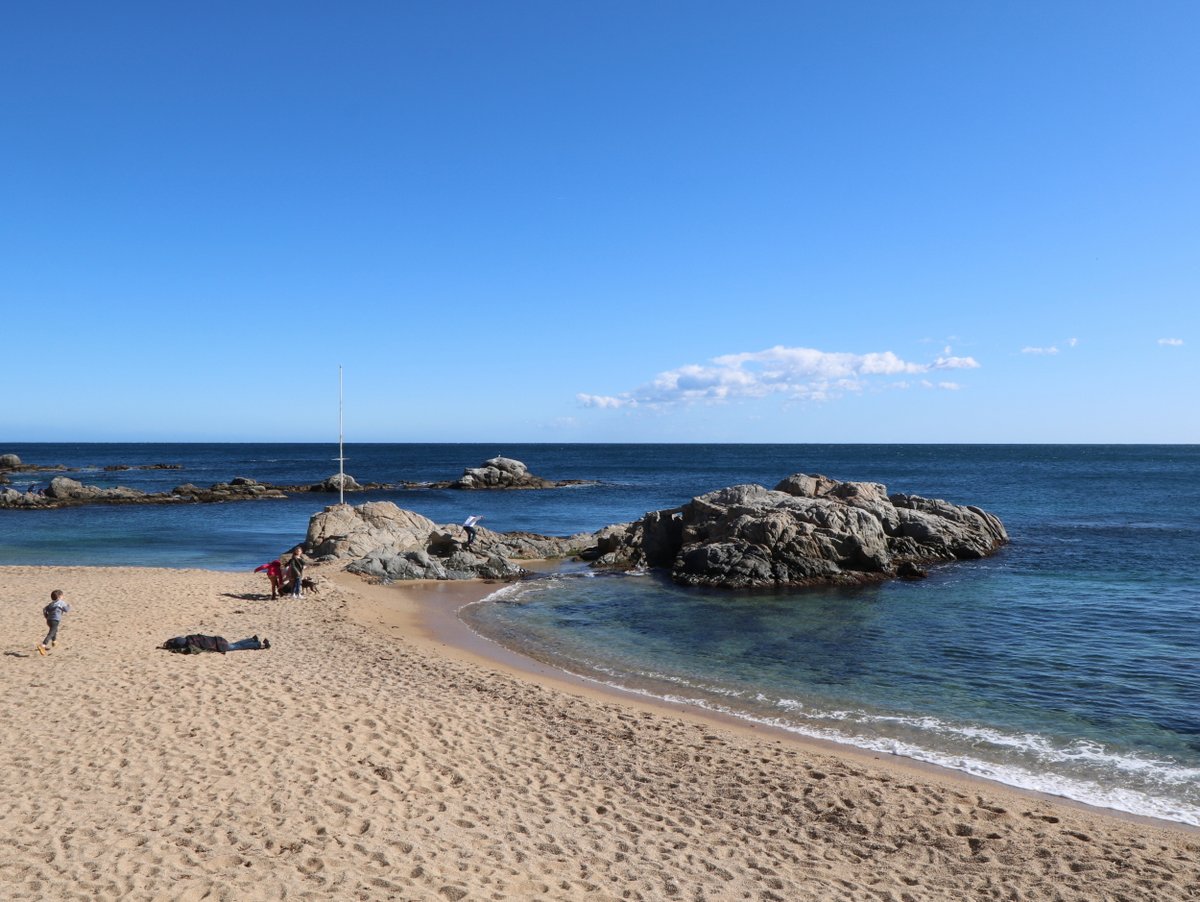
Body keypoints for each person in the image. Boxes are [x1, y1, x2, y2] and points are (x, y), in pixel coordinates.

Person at [37, 589, 70, 656]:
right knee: (51, 632)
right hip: (55, 620)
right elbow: (66, 610)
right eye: (62, 596)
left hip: (49, 620)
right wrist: (68, 606)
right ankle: (43, 645)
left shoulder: (51, 604)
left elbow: (44, 609)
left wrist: (46, 616)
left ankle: (54, 642)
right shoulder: (61, 602)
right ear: (60, 597)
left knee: (54, 630)